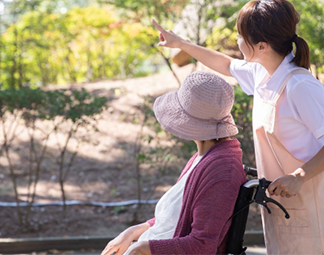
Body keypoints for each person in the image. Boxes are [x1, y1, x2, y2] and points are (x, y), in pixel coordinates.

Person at [152, 0, 324, 254]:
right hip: (281, 203)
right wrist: (180, 43)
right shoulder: (261, 72)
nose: (237, 41)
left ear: (261, 45)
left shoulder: (299, 86)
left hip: (312, 202)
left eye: (240, 36)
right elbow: (225, 64)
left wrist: (298, 177)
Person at [101, 71, 246, 255]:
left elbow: (203, 245)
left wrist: (142, 248)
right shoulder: (206, 156)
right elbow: (174, 218)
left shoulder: (222, 170)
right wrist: (132, 232)